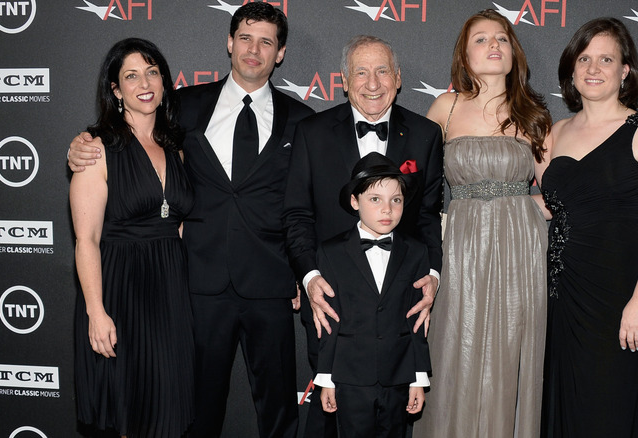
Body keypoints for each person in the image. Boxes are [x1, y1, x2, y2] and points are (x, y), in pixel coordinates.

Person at [68, 4, 315, 437]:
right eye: (244, 37)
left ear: (280, 53)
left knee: (280, 412)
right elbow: (125, 131)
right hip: (194, 286)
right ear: (229, 42)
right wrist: (81, 143)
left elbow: (305, 208)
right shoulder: (181, 106)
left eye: (266, 41)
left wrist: (303, 270)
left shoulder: (304, 121)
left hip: (269, 285)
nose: (253, 49)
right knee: (191, 412)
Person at [283, 35, 443, 437]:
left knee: (393, 419)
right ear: (343, 80)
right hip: (331, 302)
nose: (373, 83)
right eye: (361, 71)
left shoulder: (425, 133)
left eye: (382, 70)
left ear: (399, 77)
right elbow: (297, 214)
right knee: (330, 416)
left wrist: (434, 278)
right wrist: (309, 276)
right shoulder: (312, 131)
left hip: (398, 308)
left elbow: (427, 217)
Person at [413, 9, 552, 438]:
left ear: (514, 53)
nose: (494, 45)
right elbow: (419, 184)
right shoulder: (445, 107)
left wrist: (537, 208)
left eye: (502, 38)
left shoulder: (533, 112)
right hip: (460, 244)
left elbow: (554, 187)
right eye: (481, 39)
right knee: (456, 344)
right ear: (464, 54)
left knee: (510, 349)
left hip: (521, 246)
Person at [539, 17, 638, 437]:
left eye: (606, 59)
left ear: (625, 71)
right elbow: (548, 207)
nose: (593, 68)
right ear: (572, 69)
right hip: (559, 298)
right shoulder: (554, 133)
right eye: (584, 58)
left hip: (616, 300)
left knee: (607, 414)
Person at [70, 37, 195, 437]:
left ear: (163, 80)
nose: (144, 82)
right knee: (130, 408)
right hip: (121, 289)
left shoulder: (175, 147)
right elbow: (86, 239)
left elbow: (178, 224)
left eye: (152, 71)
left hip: (170, 290)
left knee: (169, 409)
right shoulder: (96, 148)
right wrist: (96, 310)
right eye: (131, 75)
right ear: (115, 88)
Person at [313, 152, 431, 438]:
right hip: (350, 377)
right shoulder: (330, 252)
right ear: (355, 201)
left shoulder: (416, 251)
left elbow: (418, 322)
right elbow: (328, 321)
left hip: (398, 376)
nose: (387, 209)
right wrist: (326, 379)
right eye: (375, 199)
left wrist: (419, 378)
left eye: (396, 200)